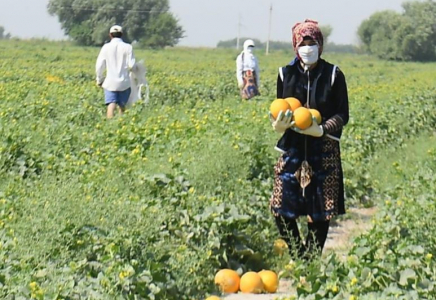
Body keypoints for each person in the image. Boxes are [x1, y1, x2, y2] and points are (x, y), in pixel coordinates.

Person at [269, 19, 349, 259]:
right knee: (280, 207)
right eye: (303, 42)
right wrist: (277, 124)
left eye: (312, 42)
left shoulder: (334, 74)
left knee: (321, 210)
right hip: (293, 147)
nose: (308, 47)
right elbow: (279, 106)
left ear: (320, 45)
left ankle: (311, 259)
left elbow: (343, 114)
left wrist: (323, 129)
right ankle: (297, 253)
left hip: (323, 148)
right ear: (295, 45)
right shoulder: (285, 73)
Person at [96, 25, 136, 118]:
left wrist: (99, 79)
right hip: (124, 82)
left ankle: (110, 125)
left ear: (110, 35)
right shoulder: (128, 47)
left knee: (111, 104)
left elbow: (100, 65)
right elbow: (132, 65)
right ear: (122, 34)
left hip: (110, 82)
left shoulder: (106, 47)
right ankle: (121, 124)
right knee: (122, 106)